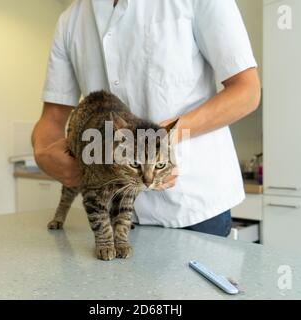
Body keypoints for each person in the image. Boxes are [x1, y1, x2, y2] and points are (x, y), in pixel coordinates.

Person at [32, 0, 261, 237]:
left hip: (192, 206)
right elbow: (52, 118)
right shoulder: (70, 21)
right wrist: (42, 154)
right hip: (112, 210)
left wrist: (160, 139)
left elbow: (246, 92)